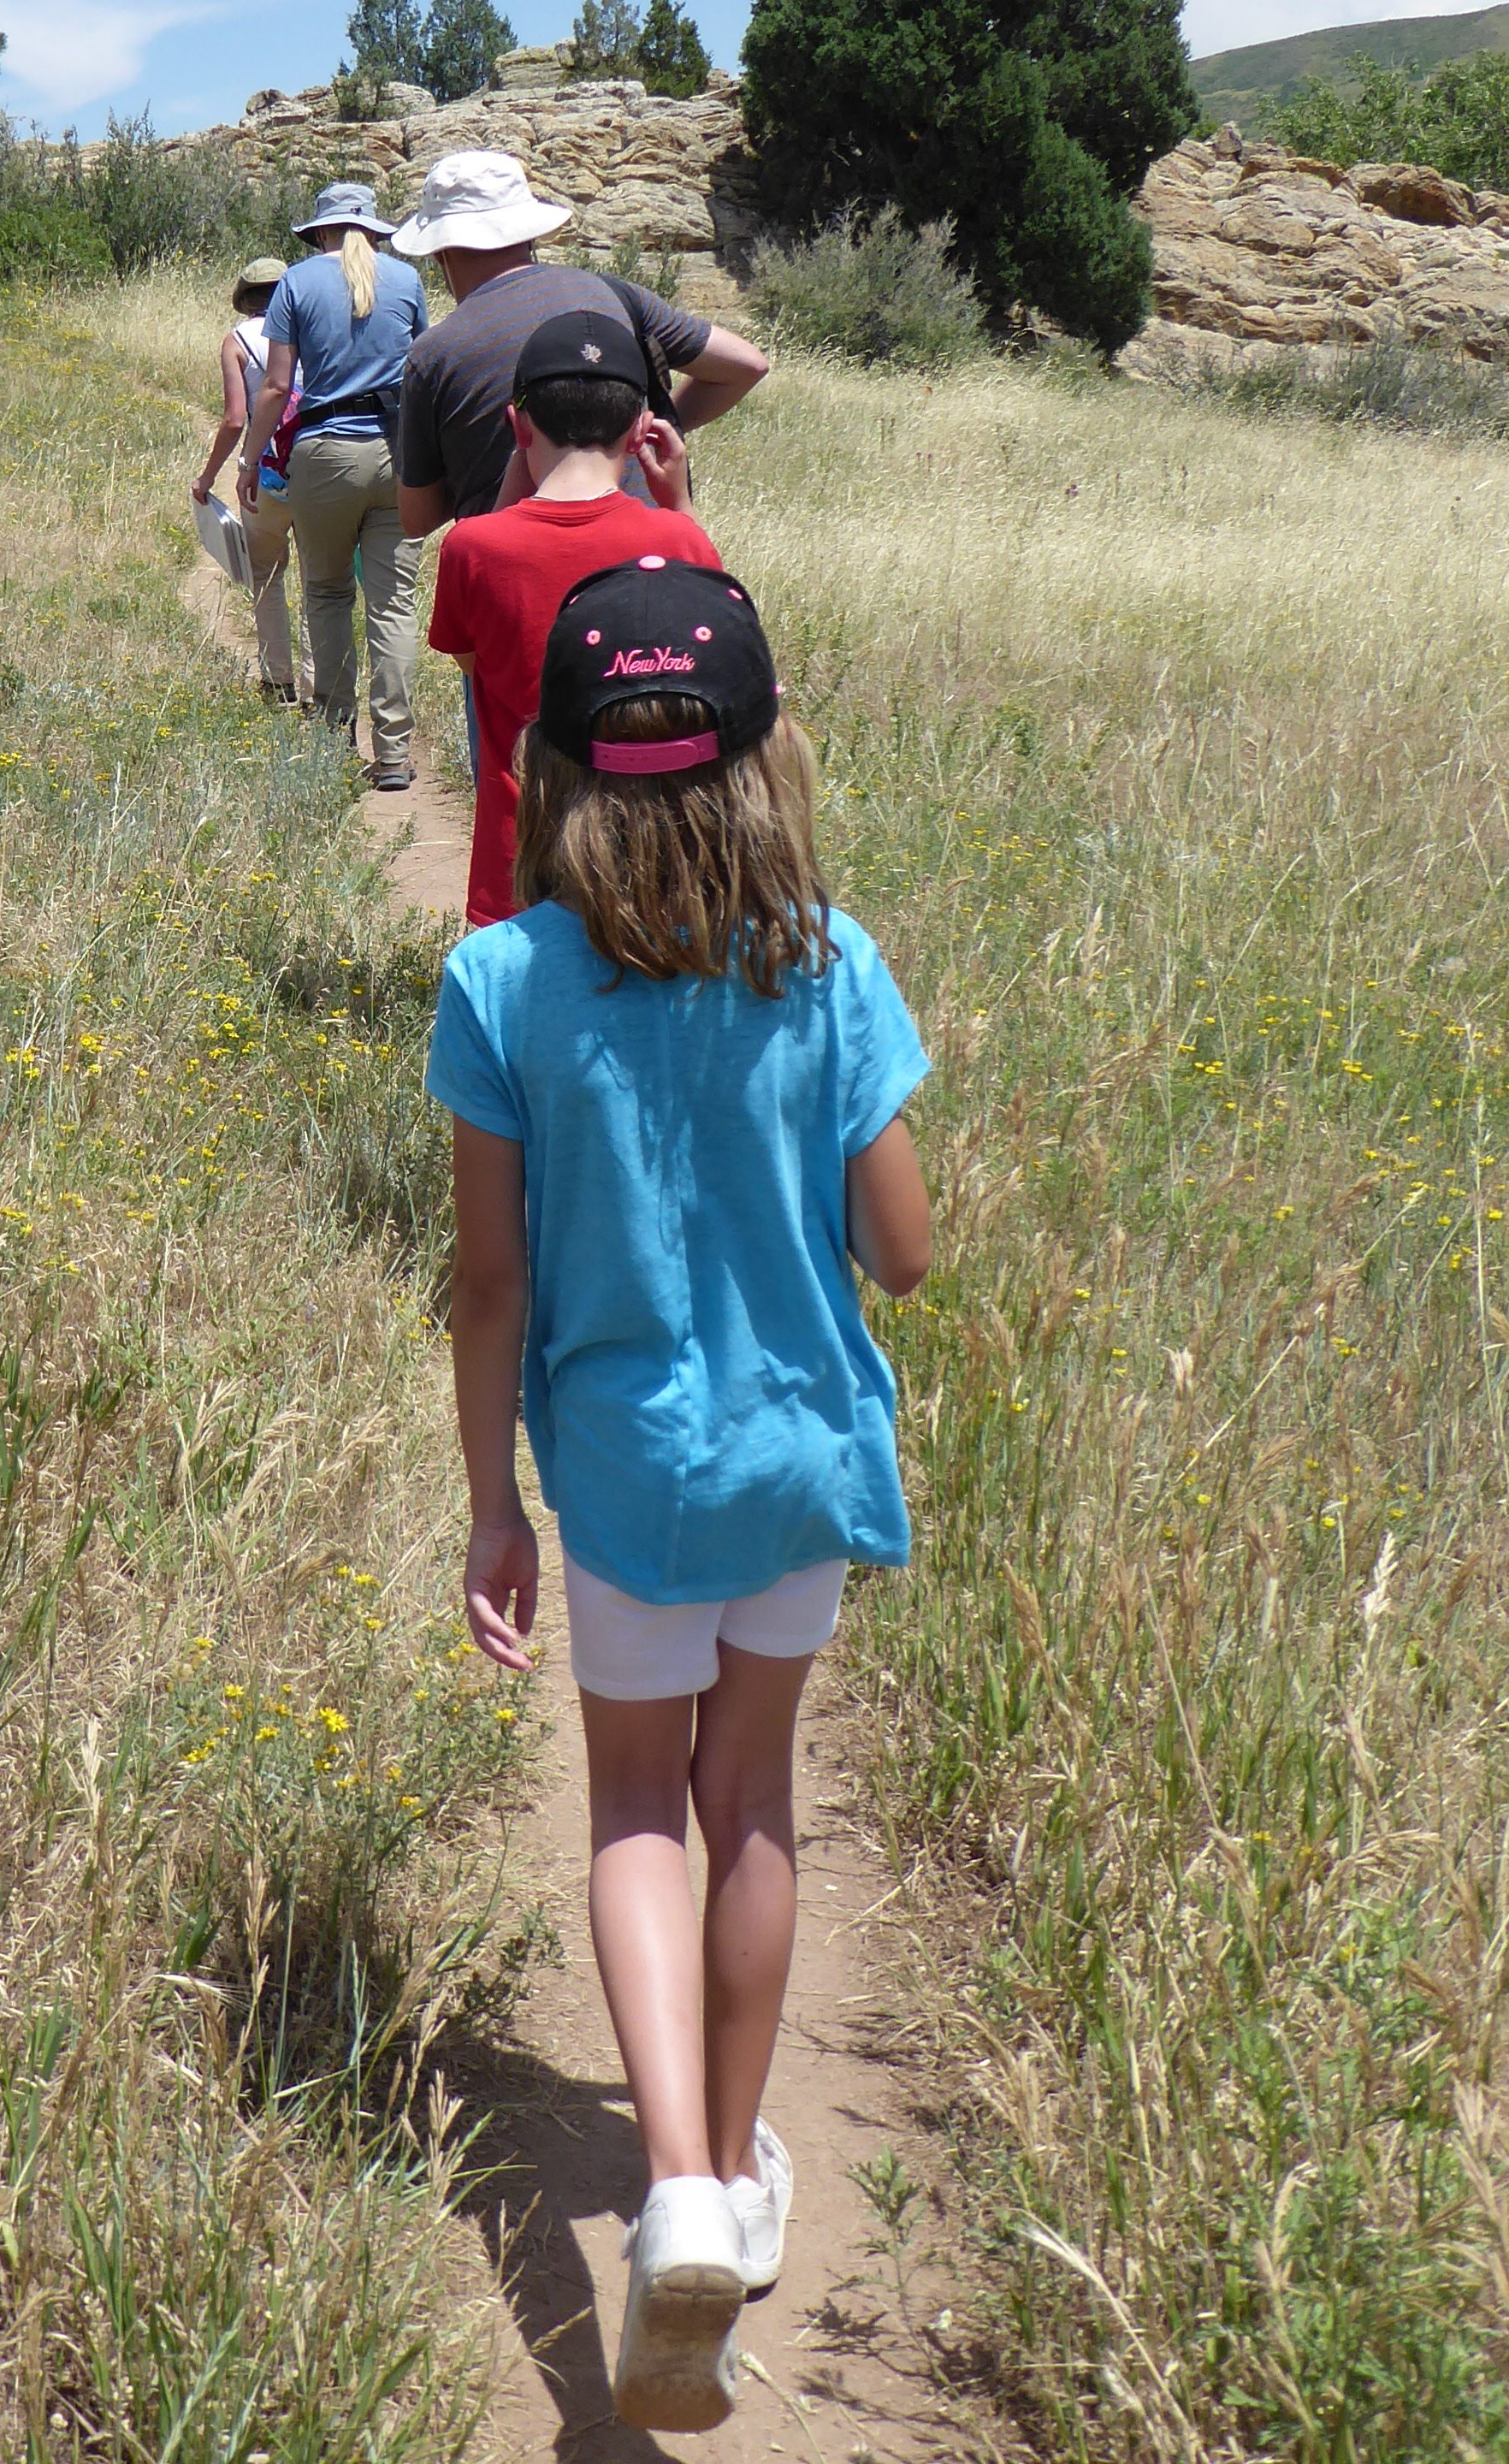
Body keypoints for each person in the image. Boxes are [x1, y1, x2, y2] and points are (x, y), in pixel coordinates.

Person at [425, 560, 932, 2433]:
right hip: (798, 1458)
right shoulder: (836, 960)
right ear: (768, 755)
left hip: (627, 1467)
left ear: (550, 764)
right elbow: (908, 1253)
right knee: (756, 1800)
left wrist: (492, 1501)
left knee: (637, 1799)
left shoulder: (502, 978)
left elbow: (492, 1284)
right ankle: (725, 2154)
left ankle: (684, 2195)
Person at [427, 301, 722, 927]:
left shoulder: (471, 548)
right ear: (642, 428)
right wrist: (679, 503)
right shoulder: (679, 542)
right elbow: (715, 644)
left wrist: (515, 473)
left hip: (524, 864)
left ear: (518, 424)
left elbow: (471, 659)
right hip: (645, 861)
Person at [390, 149, 771, 539]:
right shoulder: (618, 296)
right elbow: (745, 366)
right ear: (530, 233)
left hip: (517, 574)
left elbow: (417, 520)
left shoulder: (433, 353)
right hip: (644, 563)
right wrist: (631, 434)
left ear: (439, 254)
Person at [240, 176, 428, 790]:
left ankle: (335, 733)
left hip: (324, 454)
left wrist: (249, 462)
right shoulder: (406, 280)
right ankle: (395, 753)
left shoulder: (296, 281)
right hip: (398, 453)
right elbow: (423, 369)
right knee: (394, 603)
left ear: (319, 230)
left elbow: (274, 386)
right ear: (372, 230)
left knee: (326, 594)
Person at [191, 254, 299, 702]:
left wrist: (208, 478)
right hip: (318, 462)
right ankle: (321, 689)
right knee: (321, 582)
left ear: (246, 299)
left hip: (267, 471)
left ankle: (279, 680)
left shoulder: (236, 342)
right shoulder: (308, 331)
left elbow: (236, 420)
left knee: (267, 572)